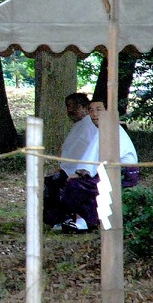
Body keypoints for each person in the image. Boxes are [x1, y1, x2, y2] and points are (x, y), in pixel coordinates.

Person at [51, 98, 141, 234]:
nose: (94, 114)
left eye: (99, 110)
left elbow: (95, 158)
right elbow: (94, 155)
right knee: (77, 183)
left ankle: (84, 221)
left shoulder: (110, 128)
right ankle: (82, 220)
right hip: (110, 171)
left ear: (107, 112)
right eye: (91, 110)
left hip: (123, 174)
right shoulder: (104, 128)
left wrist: (82, 172)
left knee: (76, 185)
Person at [43, 93, 99, 230]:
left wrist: (74, 171)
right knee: (51, 181)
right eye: (68, 107)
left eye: (74, 107)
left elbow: (88, 153)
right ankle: (58, 218)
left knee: (54, 183)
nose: (70, 110)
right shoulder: (80, 125)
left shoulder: (88, 126)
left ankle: (63, 218)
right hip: (71, 168)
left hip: (83, 171)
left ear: (85, 108)